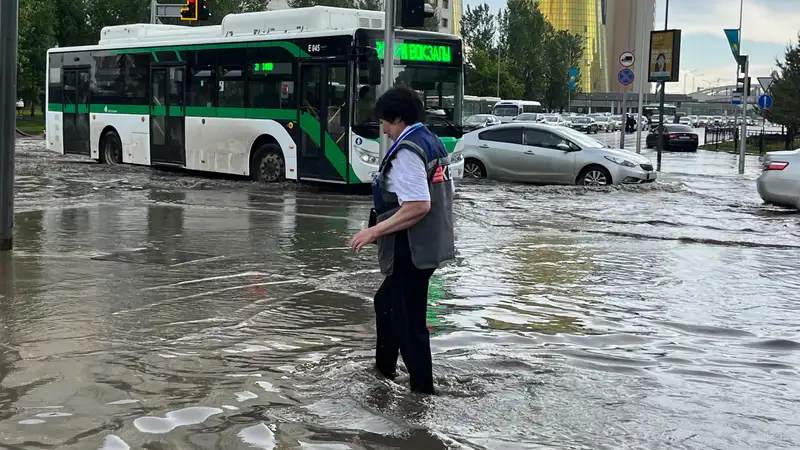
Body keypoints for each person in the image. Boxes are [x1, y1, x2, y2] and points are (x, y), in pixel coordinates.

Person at [349, 85, 455, 395]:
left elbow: (419, 206)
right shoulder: (431, 141)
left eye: (384, 121)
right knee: (386, 302)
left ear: (397, 119)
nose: (382, 130)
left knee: (409, 324)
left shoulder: (408, 151)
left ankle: (422, 397)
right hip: (428, 244)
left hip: (411, 248)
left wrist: (374, 231)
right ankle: (384, 372)